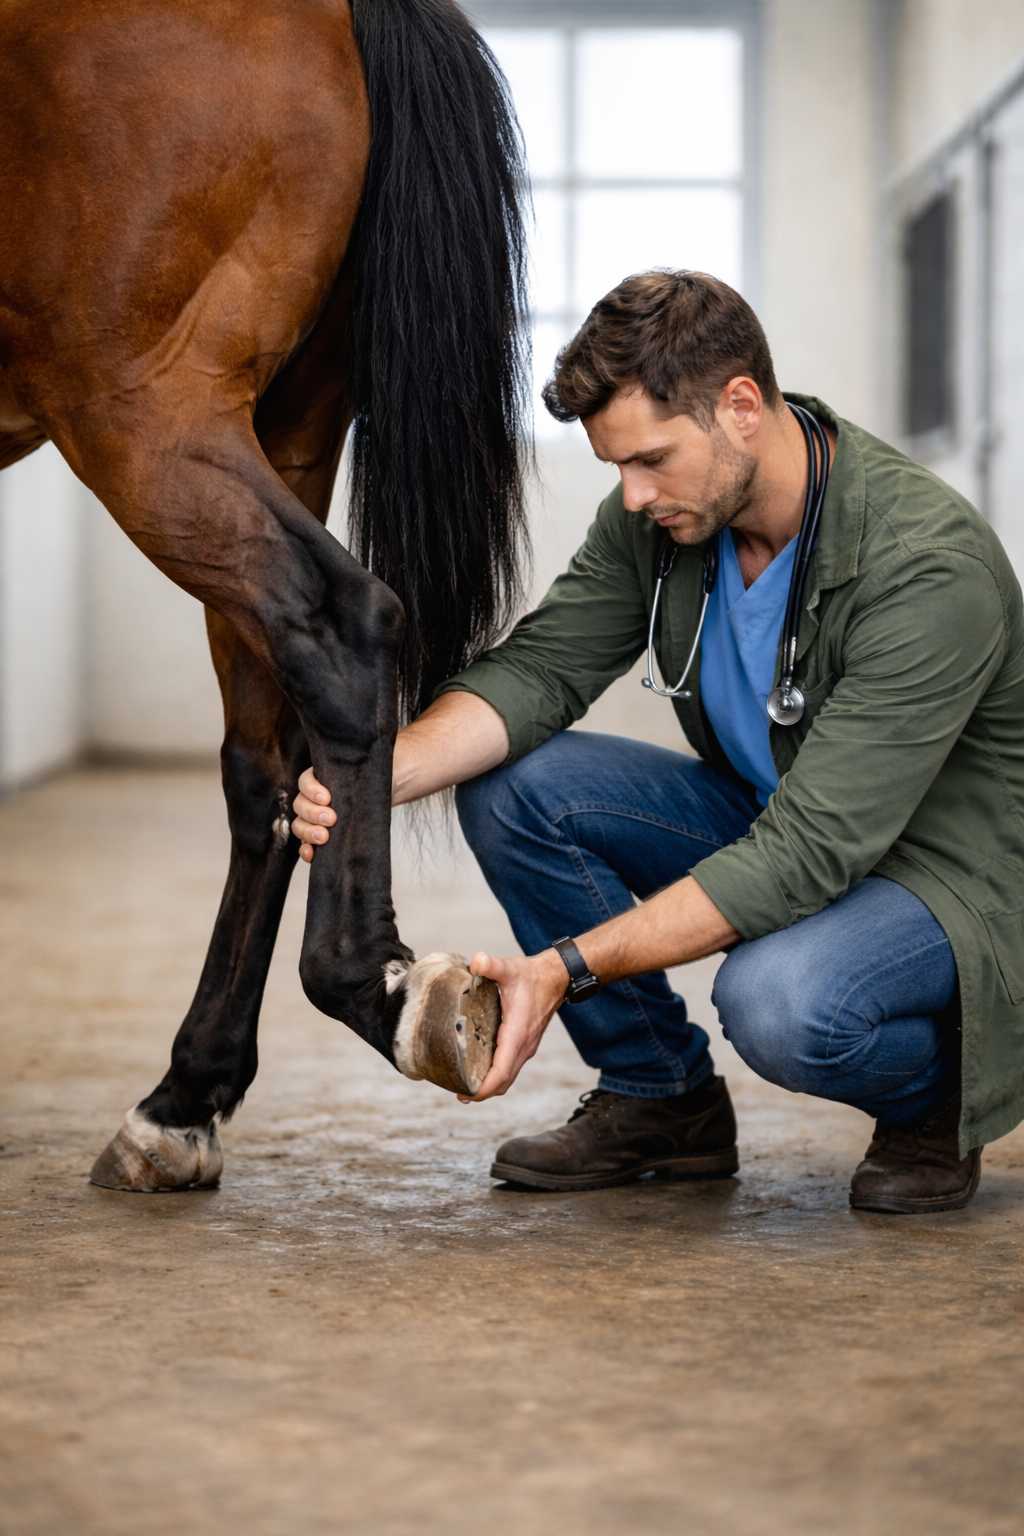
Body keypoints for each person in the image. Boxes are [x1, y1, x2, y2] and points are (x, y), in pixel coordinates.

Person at [292, 270, 1024, 1215]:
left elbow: (810, 853)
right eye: (615, 468)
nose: (633, 496)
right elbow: (543, 668)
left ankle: (939, 1094)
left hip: (942, 877)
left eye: (651, 460)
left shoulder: (927, 566)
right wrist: (374, 778)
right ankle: (659, 1098)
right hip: (778, 817)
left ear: (742, 407)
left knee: (779, 1003)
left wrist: (565, 967)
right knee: (519, 786)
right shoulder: (676, 517)